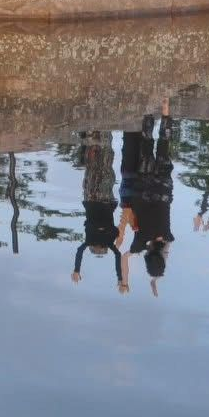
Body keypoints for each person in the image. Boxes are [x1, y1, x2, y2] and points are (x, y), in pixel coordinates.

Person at [120, 103, 175, 297]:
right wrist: (124, 282)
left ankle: (166, 106)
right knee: (146, 142)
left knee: (164, 145)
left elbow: (164, 254)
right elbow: (124, 257)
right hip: (143, 184)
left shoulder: (167, 237)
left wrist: (156, 279)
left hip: (163, 186)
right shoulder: (140, 242)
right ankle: (149, 107)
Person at [71, 132, 127, 292]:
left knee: (104, 165)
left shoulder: (108, 241)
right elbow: (80, 251)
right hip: (93, 198)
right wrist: (76, 270)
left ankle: (102, 136)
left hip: (104, 198)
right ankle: (95, 136)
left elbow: (116, 256)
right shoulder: (90, 241)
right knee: (95, 166)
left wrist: (120, 278)